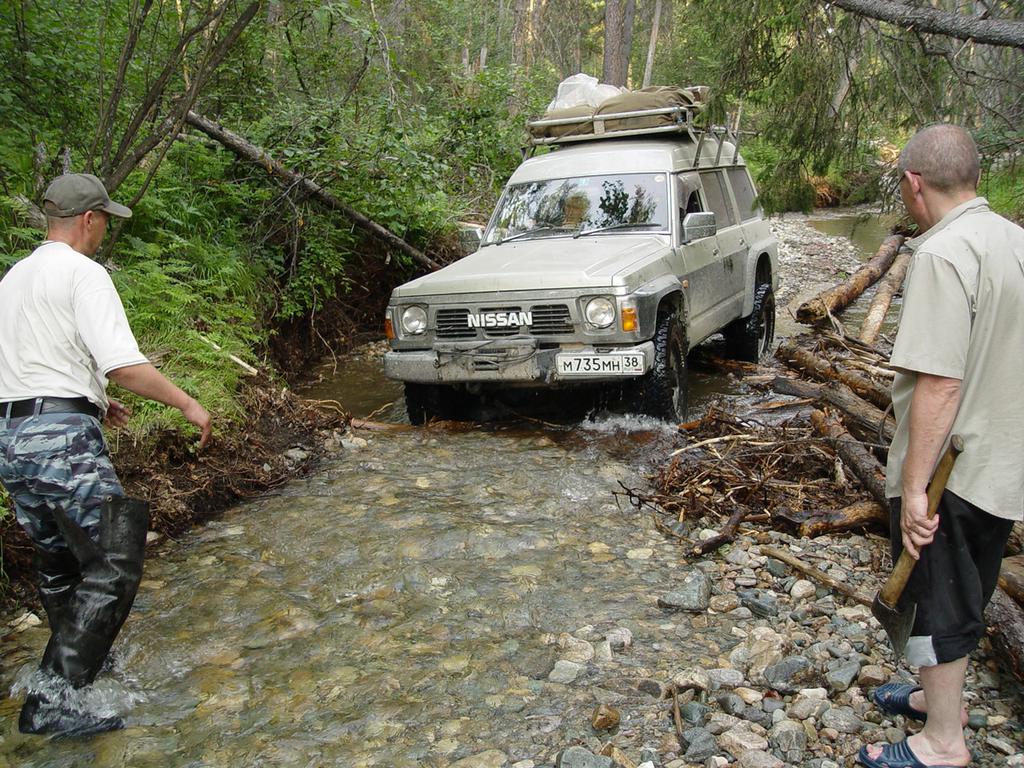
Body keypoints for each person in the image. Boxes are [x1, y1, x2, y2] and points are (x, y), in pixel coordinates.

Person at [0, 173, 212, 737]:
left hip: (12, 437)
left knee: (61, 564)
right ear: (88, 220)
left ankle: (80, 674)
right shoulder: (83, 273)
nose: (104, 235)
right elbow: (123, 363)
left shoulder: (15, 277)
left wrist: (93, 403)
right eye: (104, 223)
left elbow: (37, 362)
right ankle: (53, 699)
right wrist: (188, 404)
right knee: (115, 560)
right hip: (58, 440)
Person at [859, 125, 1024, 767]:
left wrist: (915, 488)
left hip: (956, 465)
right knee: (971, 580)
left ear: (913, 183)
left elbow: (939, 380)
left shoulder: (942, 253)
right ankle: (934, 702)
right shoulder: (1013, 240)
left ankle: (943, 743)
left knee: (938, 596)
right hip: (1006, 457)